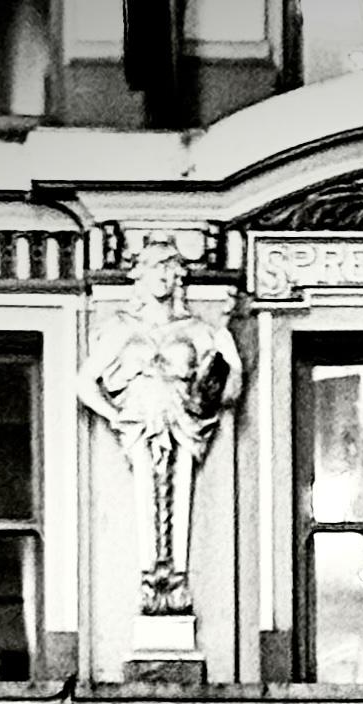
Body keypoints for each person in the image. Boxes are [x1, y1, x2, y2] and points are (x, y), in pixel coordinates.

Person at [77, 236, 243, 617]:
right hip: (138, 421)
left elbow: (227, 393)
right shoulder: (121, 327)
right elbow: (84, 382)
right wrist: (112, 413)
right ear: (140, 274)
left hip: (184, 420)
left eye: (171, 268)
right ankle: (151, 578)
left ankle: (176, 580)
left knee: (179, 490)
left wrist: (233, 363)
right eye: (155, 267)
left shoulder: (198, 330)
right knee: (145, 494)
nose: (163, 276)